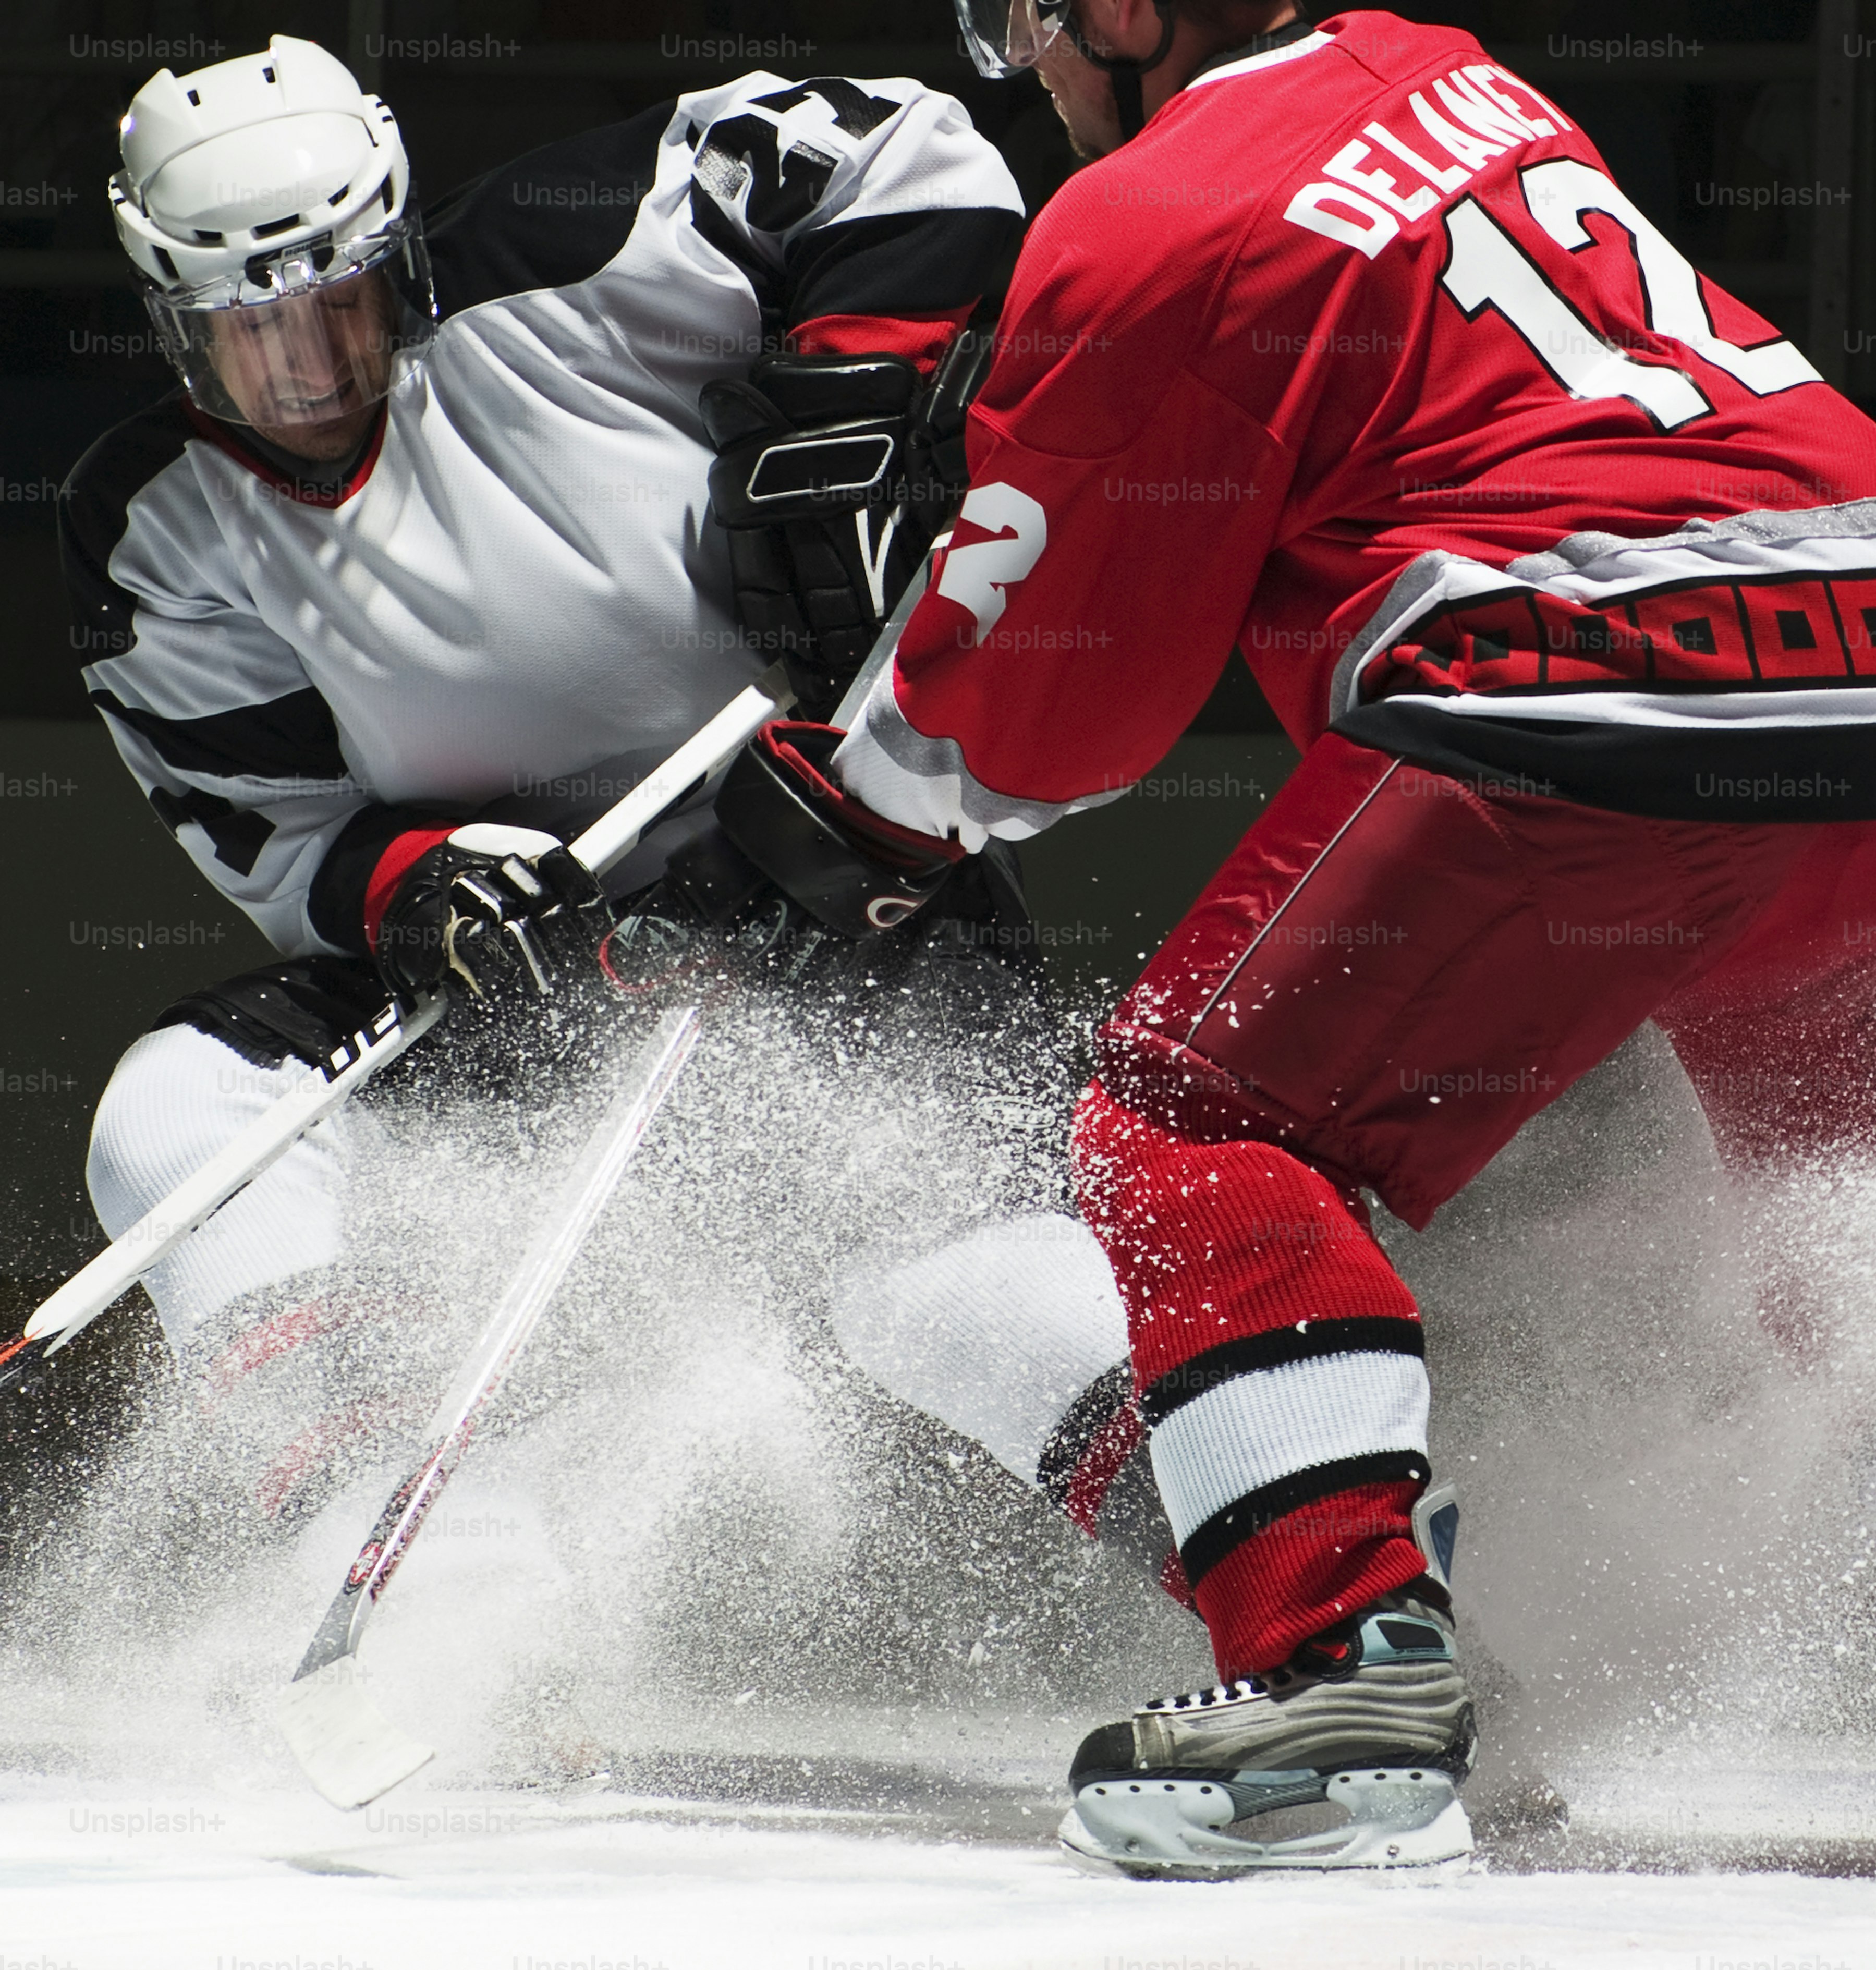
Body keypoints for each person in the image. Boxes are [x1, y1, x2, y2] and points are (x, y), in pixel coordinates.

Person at [713, 0, 1876, 1875]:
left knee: (1191, 1119)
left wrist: (863, 795)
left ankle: (1343, 1678)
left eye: (1034, 18)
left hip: (1603, 678)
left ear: (1130, 12)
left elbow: (1053, 702)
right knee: (1864, 1211)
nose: (1027, 68)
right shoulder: (1449, 68)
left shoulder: (1145, 209)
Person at [41, 36, 1115, 1540]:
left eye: (344, 301)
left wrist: (858, 387)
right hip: (528, 978)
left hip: (843, 875)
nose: (310, 367)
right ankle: (382, 1542)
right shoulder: (151, 525)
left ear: (402, 252)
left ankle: (1304, 1572)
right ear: (172, 323)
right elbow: (283, 838)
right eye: (249, 326)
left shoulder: (573, 256)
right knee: (176, 1109)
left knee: (943, 1291)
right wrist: (418, 890)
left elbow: (903, 142)